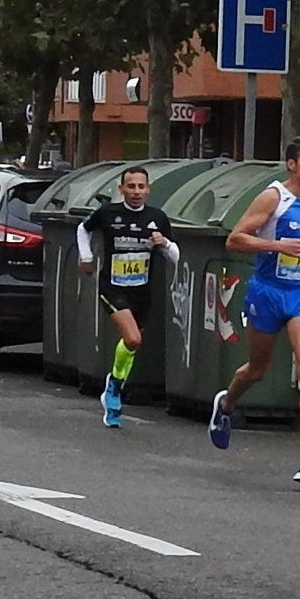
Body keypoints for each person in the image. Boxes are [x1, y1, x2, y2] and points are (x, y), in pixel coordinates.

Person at [207, 136, 300, 485]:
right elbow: (235, 239)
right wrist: (276, 245)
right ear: (292, 164)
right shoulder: (274, 197)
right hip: (267, 293)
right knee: (258, 370)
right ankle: (227, 404)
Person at [76, 166, 179, 428]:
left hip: (141, 291)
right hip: (112, 287)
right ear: (121, 189)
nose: (136, 192)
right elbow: (82, 229)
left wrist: (163, 243)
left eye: (141, 187)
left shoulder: (157, 218)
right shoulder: (108, 213)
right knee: (133, 337)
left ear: (148, 190)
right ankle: (113, 389)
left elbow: (175, 256)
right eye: (131, 187)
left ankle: (114, 386)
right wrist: (86, 257)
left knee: (131, 344)